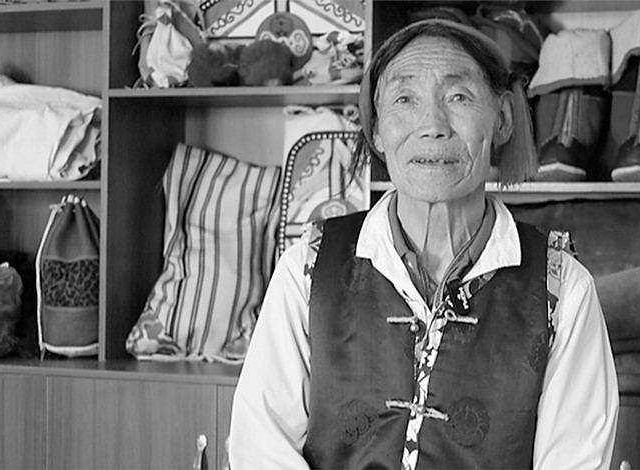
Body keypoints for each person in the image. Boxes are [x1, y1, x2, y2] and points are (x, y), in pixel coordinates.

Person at [229, 18, 619, 470]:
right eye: (405, 99)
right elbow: (261, 447)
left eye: (459, 97)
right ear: (377, 130)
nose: (432, 125)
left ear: (503, 119)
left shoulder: (561, 288)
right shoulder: (309, 269)